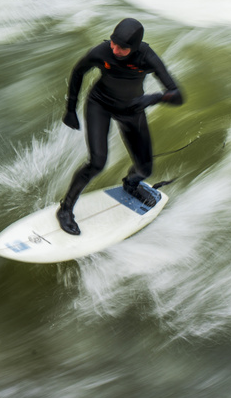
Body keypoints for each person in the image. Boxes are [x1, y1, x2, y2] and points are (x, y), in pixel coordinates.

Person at [57, 18, 184, 235]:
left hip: (132, 109)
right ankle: (65, 208)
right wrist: (70, 109)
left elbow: (177, 95)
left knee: (145, 169)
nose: (115, 49)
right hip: (100, 105)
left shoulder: (147, 57)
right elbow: (79, 72)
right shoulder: (102, 52)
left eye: (122, 47)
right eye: (113, 43)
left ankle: (130, 184)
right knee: (97, 162)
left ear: (134, 48)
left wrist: (151, 99)